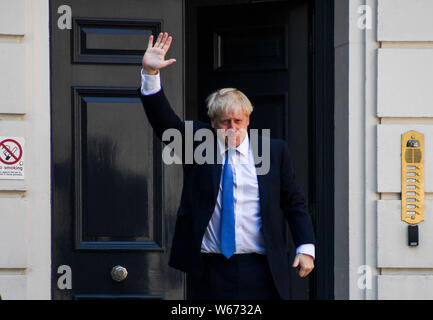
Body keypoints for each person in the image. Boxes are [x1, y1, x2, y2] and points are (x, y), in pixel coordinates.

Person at [139, 32, 316, 300]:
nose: (231, 128)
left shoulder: (273, 150)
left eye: (238, 121)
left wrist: (305, 247)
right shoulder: (199, 144)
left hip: (262, 269)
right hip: (210, 270)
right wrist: (150, 73)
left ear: (248, 120)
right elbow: (164, 123)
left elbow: (294, 202)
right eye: (224, 122)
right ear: (212, 122)